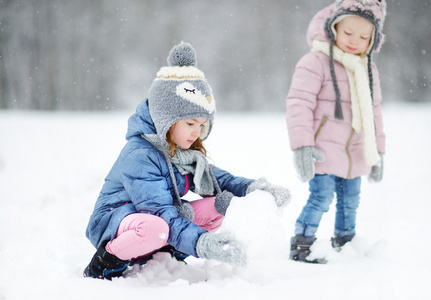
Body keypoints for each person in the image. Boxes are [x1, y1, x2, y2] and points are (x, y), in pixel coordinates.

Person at [83, 42, 291, 280]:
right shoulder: (139, 155)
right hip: (116, 221)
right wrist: (203, 243)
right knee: (157, 228)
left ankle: (167, 252)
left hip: (158, 220)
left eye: (201, 125)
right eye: (190, 124)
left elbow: (219, 180)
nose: (196, 133)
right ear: (166, 120)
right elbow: (161, 213)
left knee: (220, 205)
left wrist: (256, 189)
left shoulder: (183, 152)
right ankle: (105, 264)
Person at [286, 0, 387, 263]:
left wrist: (377, 151)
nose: (355, 41)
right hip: (322, 149)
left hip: (354, 151)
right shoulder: (314, 62)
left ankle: (345, 240)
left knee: (351, 200)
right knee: (321, 198)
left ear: (373, 39)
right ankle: (302, 243)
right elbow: (299, 104)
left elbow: (374, 112)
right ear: (333, 29)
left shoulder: (368, 69)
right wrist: (303, 146)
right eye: (348, 33)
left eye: (364, 36)